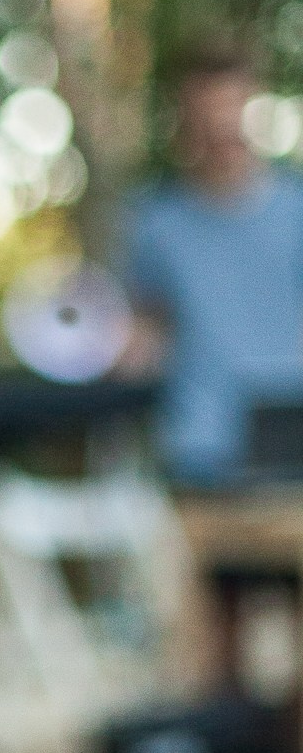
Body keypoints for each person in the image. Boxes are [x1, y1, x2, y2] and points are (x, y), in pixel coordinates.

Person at [121, 44, 303, 695]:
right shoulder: (157, 223)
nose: (221, 131)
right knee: (215, 655)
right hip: (204, 459)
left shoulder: (295, 207)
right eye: (206, 116)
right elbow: (146, 328)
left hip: (293, 456)